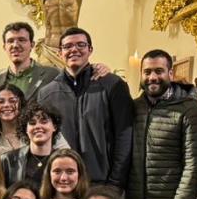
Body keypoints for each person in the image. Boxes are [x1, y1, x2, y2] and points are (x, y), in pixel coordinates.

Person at [35, 27, 133, 189]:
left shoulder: (112, 85)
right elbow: (43, 139)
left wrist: (116, 182)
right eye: (67, 46)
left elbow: (124, 135)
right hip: (62, 183)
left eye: (80, 45)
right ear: (60, 53)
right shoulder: (47, 94)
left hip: (102, 182)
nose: (74, 49)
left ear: (90, 50)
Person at [128, 49, 197, 199]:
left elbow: (193, 162)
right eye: (147, 72)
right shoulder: (134, 107)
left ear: (171, 73)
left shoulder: (189, 109)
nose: (152, 77)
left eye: (159, 71)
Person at [0, 21, 60, 100]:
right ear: (4, 47)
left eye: (21, 40)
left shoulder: (52, 75)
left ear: (32, 45)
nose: (15, 45)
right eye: (10, 41)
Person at [4, 103, 68, 188]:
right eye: (32, 123)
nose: (38, 126)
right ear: (26, 129)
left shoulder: (66, 160)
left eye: (44, 122)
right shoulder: (8, 160)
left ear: (54, 127)